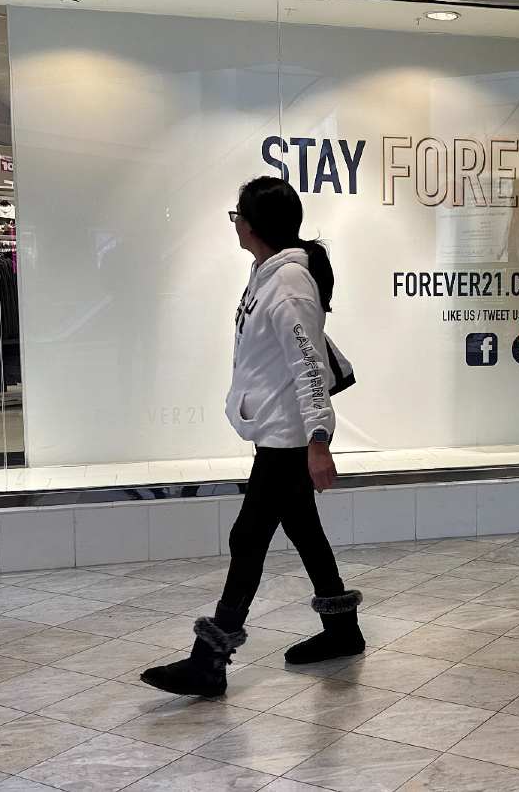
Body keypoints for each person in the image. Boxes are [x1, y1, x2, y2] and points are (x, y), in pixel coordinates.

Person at [141, 176, 364, 697]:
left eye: (238, 214)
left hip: (288, 438)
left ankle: (210, 658)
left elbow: (309, 367)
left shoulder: (288, 287)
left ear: (255, 224)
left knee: (248, 539)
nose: (235, 222)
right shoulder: (268, 271)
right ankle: (342, 630)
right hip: (278, 430)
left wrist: (317, 440)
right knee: (304, 532)